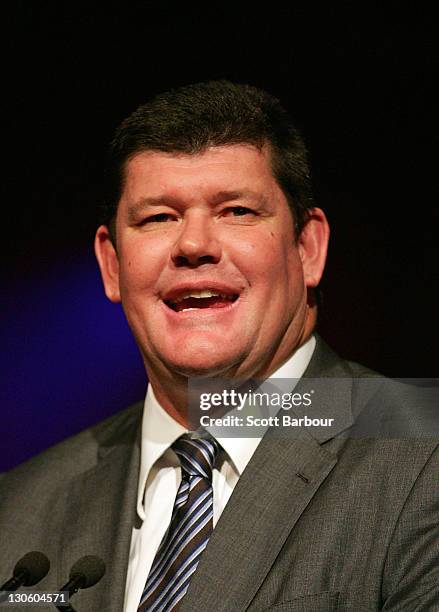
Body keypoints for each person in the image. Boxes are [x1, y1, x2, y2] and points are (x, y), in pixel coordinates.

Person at [1, 80, 438, 612]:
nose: (193, 245)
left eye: (236, 211)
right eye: (158, 217)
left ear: (308, 249)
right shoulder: (17, 511)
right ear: (112, 264)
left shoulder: (421, 456)